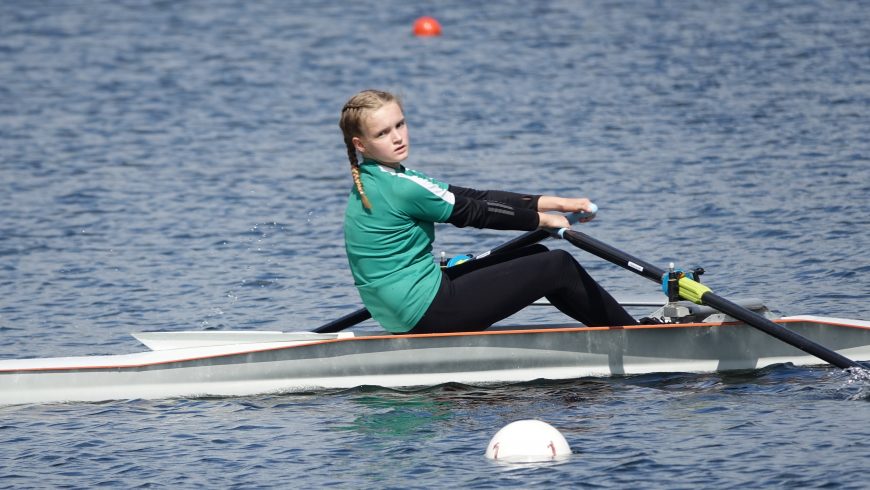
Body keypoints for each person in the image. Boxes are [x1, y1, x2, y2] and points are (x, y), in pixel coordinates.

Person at [339, 89, 637, 334]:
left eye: (400, 124)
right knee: (558, 265)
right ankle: (633, 336)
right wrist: (541, 220)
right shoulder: (402, 187)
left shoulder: (374, 178)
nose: (397, 137)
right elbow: (475, 213)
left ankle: (607, 331)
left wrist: (558, 203)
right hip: (426, 310)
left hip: (398, 309)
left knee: (535, 257)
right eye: (383, 133)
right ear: (361, 144)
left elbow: (473, 196)